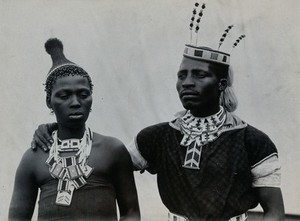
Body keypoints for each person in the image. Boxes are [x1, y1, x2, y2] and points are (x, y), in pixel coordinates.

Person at [30, 7, 285, 221]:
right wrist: (57, 129)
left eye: (199, 75)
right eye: (182, 75)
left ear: (220, 84)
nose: (187, 82)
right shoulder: (158, 137)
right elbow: (103, 163)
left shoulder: (252, 141)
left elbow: (274, 211)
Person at [9, 38, 140, 221]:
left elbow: (131, 213)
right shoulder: (33, 158)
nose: (75, 103)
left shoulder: (113, 150)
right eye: (64, 96)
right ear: (49, 102)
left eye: (83, 94)